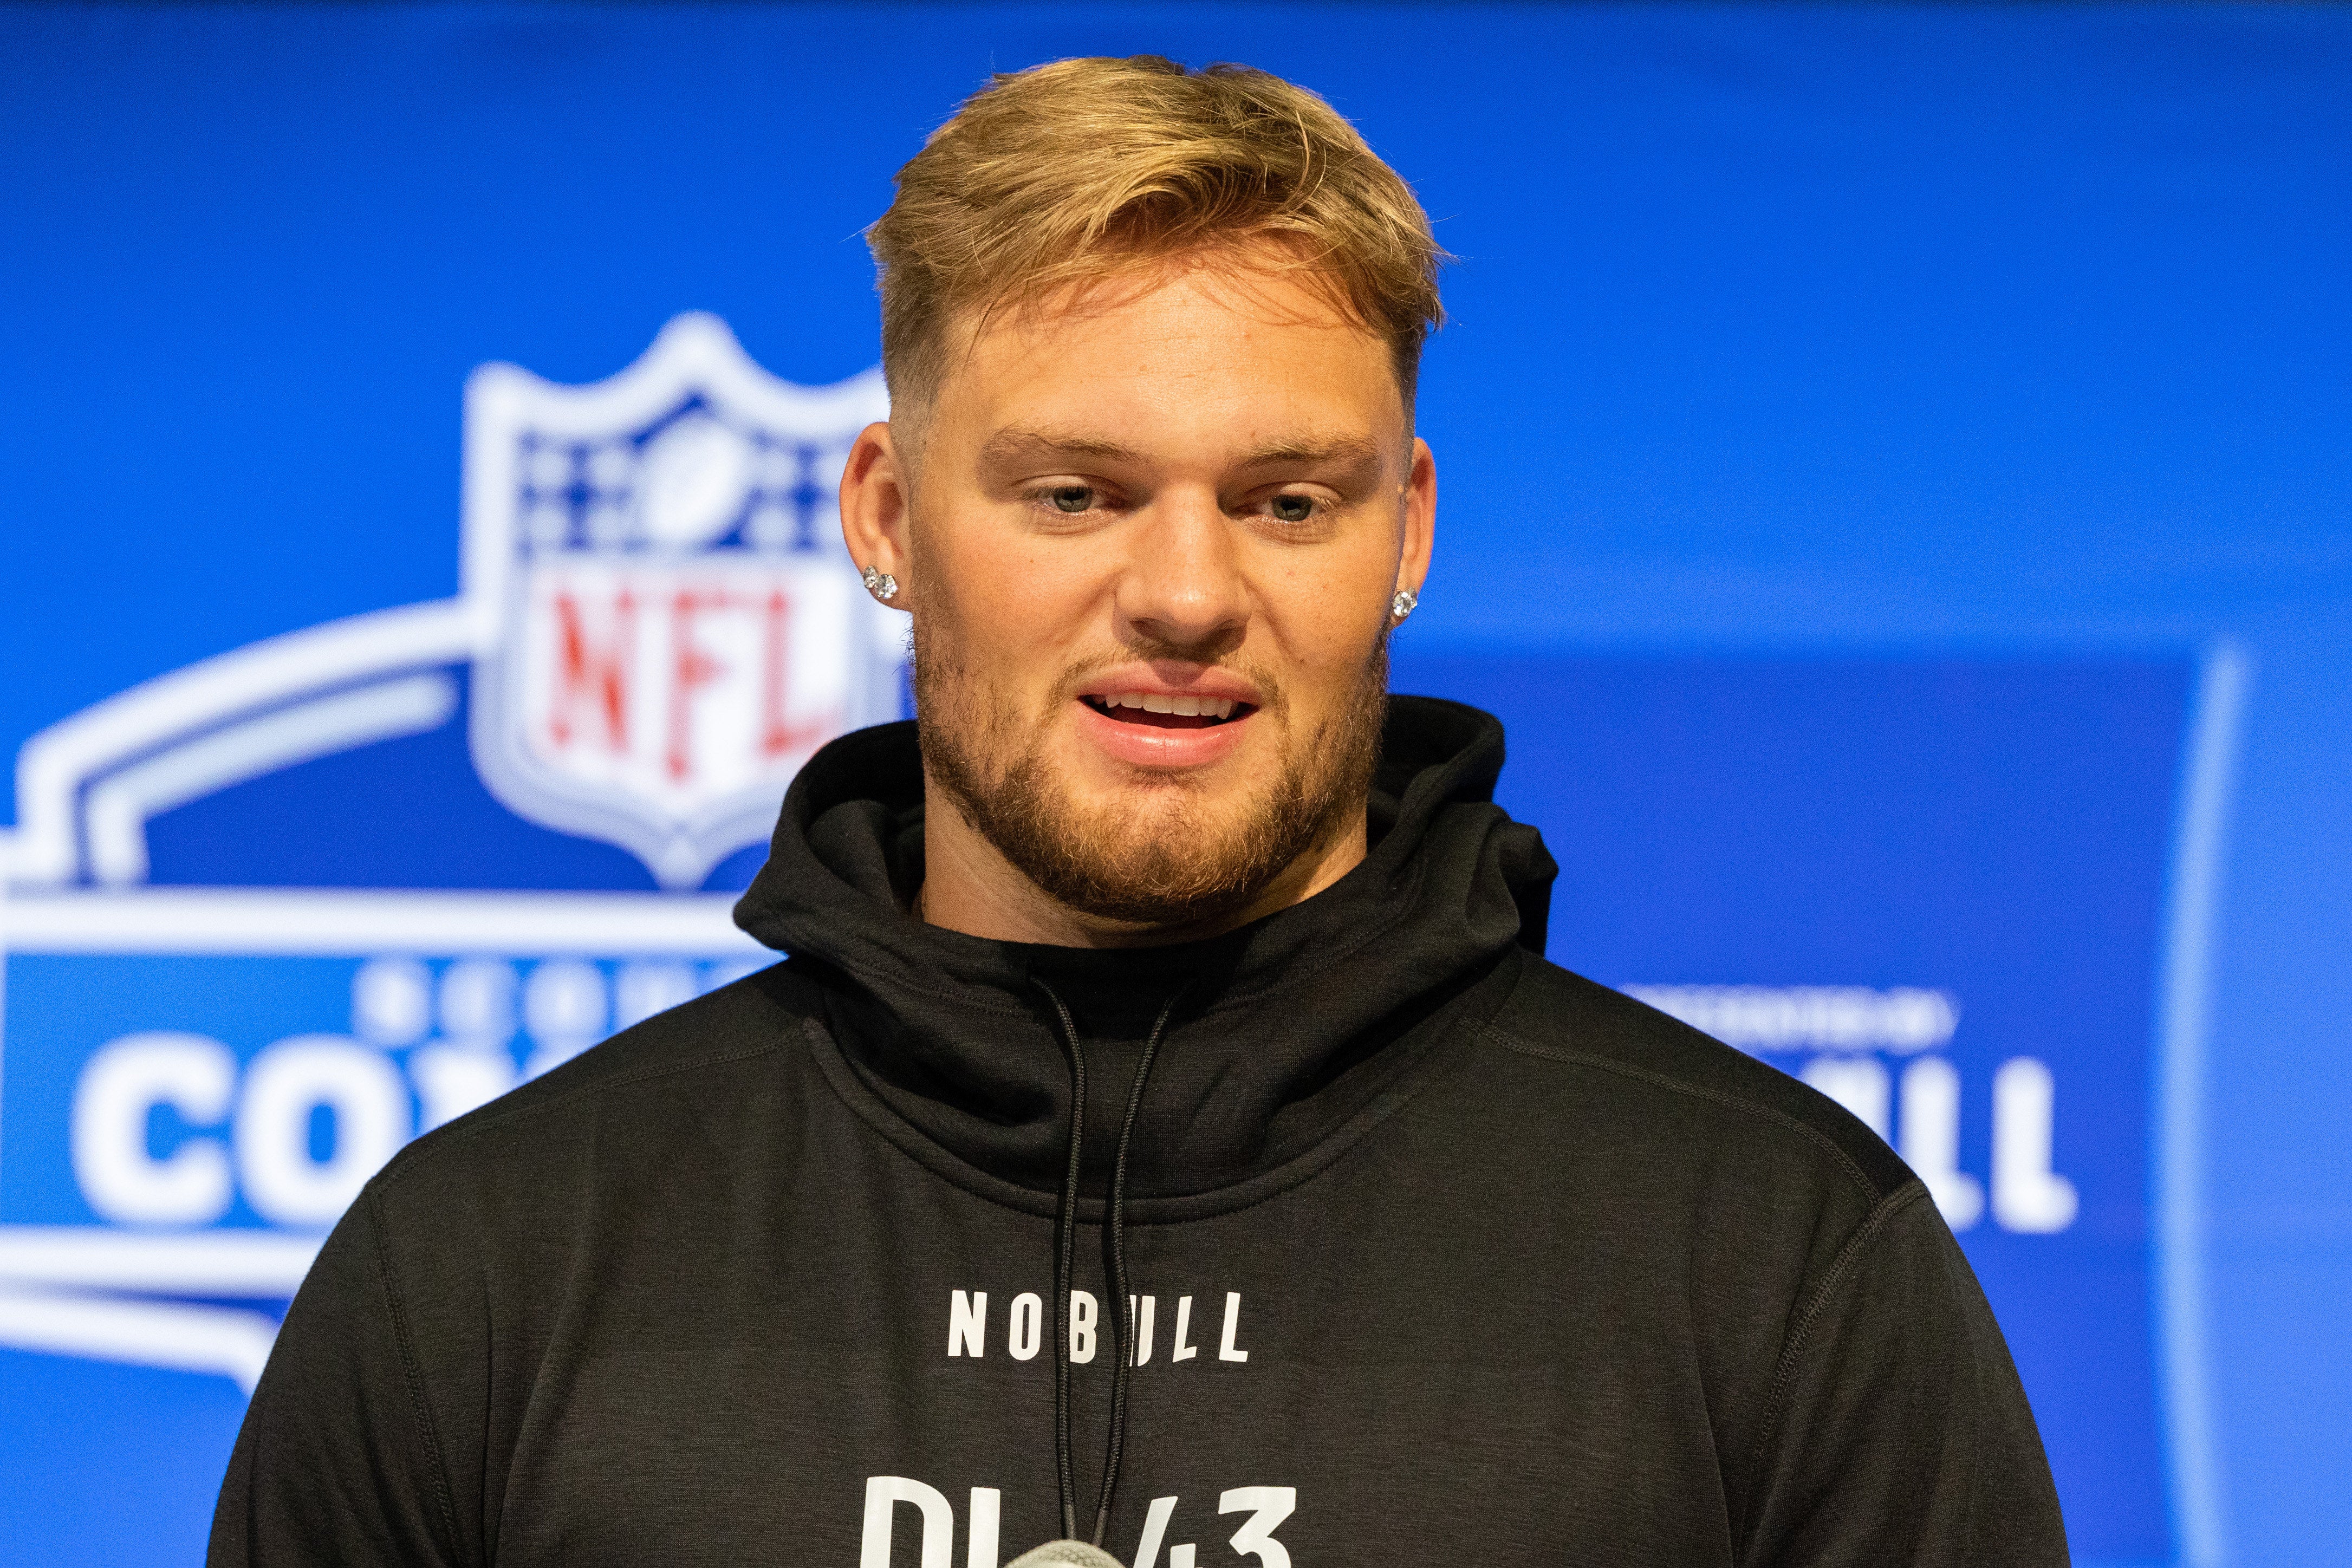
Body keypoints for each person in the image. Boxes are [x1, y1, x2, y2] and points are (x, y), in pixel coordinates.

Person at [210, 56, 2068, 1567]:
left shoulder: (1772, 1259)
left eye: (1285, 500)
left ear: (1405, 529)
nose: (1185, 593)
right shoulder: (494, 1261)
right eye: (1078, 494)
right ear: (885, 519)